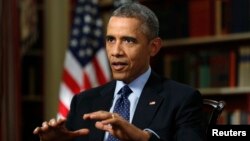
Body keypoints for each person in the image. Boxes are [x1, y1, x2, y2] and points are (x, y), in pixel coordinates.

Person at [33, 2, 205, 141]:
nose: (116, 51)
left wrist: (142, 138)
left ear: (153, 47)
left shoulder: (182, 99)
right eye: (110, 40)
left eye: (128, 41)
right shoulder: (83, 101)